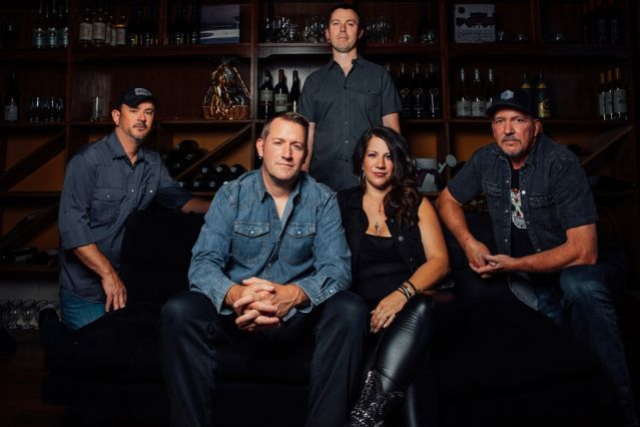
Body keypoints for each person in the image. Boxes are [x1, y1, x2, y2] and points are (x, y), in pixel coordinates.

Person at [436, 88, 638, 427]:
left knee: (580, 285)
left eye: (518, 120)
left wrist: (513, 265)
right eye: (499, 121)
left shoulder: (561, 163)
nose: (508, 129)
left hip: (583, 268)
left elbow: (584, 251)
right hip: (532, 280)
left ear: (536, 126)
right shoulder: (486, 159)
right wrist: (469, 243)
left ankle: (625, 412)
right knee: (551, 354)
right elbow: (447, 200)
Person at [161, 112, 369, 427]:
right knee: (179, 310)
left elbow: (337, 268)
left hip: (297, 318)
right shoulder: (232, 195)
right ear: (261, 147)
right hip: (237, 316)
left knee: (350, 308)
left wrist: (292, 295)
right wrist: (236, 295)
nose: (287, 153)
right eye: (279, 143)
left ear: (305, 154)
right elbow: (203, 263)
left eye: (296, 146)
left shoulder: (322, 200)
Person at [57, 87, 210, 330]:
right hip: (86, 290)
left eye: (148, 112)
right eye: (134, 110)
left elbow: (181, 201)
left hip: (129, 284)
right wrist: (108, 275)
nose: (142, 117)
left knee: (129, 348)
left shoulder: (153, 162)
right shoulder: (88, 161)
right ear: (116, 116)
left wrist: (226, 207)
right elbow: (72, 229)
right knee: (89, 349)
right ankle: (50, 325)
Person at [338, 127, 450, 426]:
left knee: (420, 308)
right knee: (416, 359)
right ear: (361, 161)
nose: (380, 164)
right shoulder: (342, 204)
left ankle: (363, 420)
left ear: (398, 162)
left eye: (388, 157)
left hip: (412, 303)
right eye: (372, 155)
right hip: (368, 313)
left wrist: (401, 295)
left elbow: (440, 262)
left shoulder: (417, 203)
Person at [299, 3, 402, 192]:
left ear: (360, 32)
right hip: (322, 184)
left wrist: (395, 182)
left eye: (350, 24)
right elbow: (307, 136)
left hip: (370, 184)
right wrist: (302, 185)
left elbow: (392, 132)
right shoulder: (313, 82)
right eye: (336, 23)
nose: (343, 29)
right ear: (327, 33)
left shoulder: (380, 76)